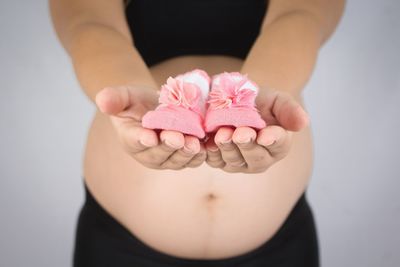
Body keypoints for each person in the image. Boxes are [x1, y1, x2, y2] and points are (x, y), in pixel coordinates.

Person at [49, 0, 345, 266]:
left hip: (281, 244)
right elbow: (88, 22)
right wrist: (143, 104)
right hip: (118, 244)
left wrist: (249, 98)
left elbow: (302, 14)